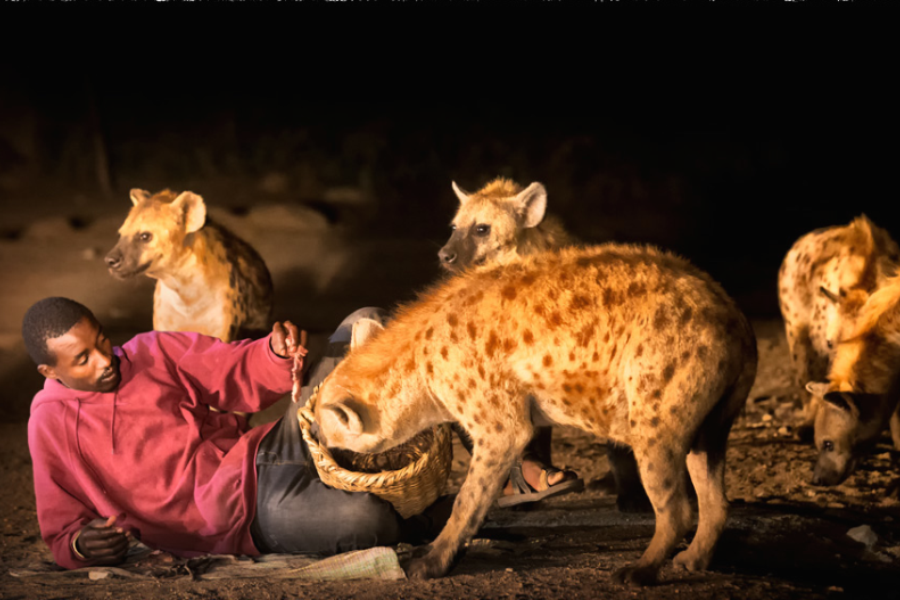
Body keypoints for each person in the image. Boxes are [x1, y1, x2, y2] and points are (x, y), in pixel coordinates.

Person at [24, 297, 444, 569]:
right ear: (49, 371)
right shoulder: (50, 423)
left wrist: (273, 353)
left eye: (102, 341)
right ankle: (431, 519)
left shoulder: (151, 351)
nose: (104, 360)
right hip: (249, 519)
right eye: (82, 359)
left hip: (266, 449)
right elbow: (63, 529)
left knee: (365, 324)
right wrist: (83, 546)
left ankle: (465, 416)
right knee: (366, 519)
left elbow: (232, 368)